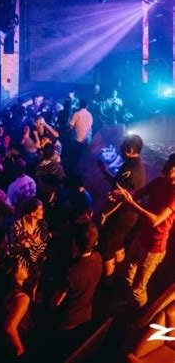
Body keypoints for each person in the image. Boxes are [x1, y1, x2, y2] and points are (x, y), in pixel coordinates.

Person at [111, 155, 175, 307]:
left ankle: (141, 315)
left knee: (138, 289)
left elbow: (156, 220)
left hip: (154, 247)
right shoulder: (159, 181)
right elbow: (136, 195)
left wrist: (130, 203)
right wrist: (123, 194)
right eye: (169, 162)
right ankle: (127, 304)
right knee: (128, 273)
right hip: (141, 237)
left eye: (172, 166)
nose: (168, 166)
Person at [52, 222, 102, 356]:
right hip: (85, 315)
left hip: (67, 321)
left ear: (74, 243)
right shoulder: (98, 258)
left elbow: (56, 301)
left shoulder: (71, 272)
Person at [100, 134, 146, 277]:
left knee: (107, 248)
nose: (120, 147)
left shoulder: (129, 170)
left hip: (122, 215)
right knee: (118, 243)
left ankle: (108, 281)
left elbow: (120, 198)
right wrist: (104, 171)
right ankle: (118, 272)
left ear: (130, 150)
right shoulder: (135, 164)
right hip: (129, 216)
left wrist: (105, 214)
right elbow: (119, 186)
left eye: (123, 145)